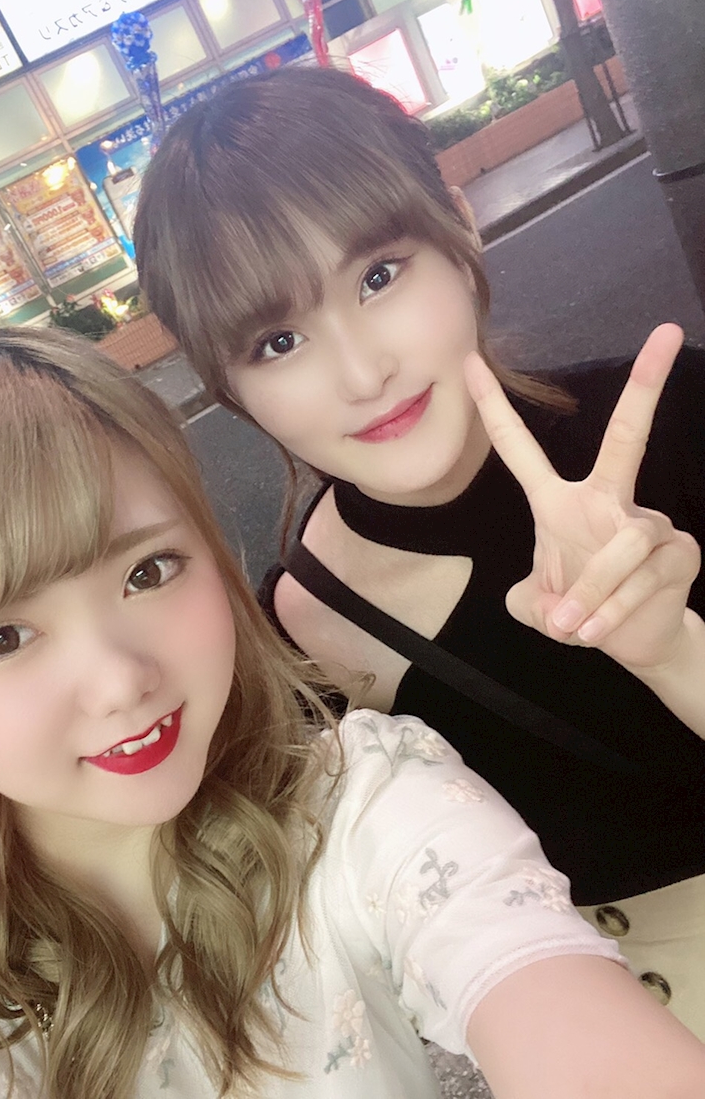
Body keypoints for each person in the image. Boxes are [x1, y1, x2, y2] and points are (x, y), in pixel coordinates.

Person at [0, 328, 705, 1099]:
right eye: (1, 638)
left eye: (148, 572)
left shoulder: (363, 807)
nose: (120, 683)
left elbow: (532, 978)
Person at [134, 64, 705, 1040]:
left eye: (379, 276)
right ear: (230, 388)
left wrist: (670, 647)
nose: (364, 373)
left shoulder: (675, 419)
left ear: (458, 226)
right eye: (277, 341)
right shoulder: (306, 640)